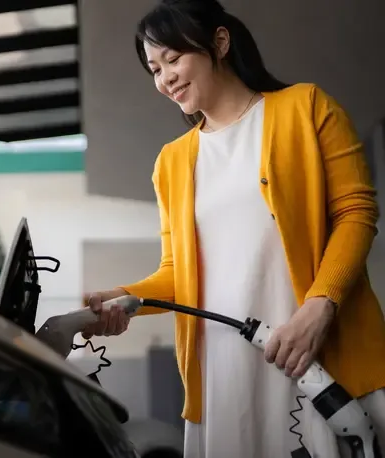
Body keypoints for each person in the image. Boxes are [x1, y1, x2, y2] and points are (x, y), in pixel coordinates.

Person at [81, 0, 385, 457]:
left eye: (173, 58)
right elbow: (180, 275)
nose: (164, 78)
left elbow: (356, 212)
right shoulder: (172, 162)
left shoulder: (306, 107)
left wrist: (319, 309)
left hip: (320, 356)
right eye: (154, 69)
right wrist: (123, 297)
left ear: (219, 43)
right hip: (226, 376)